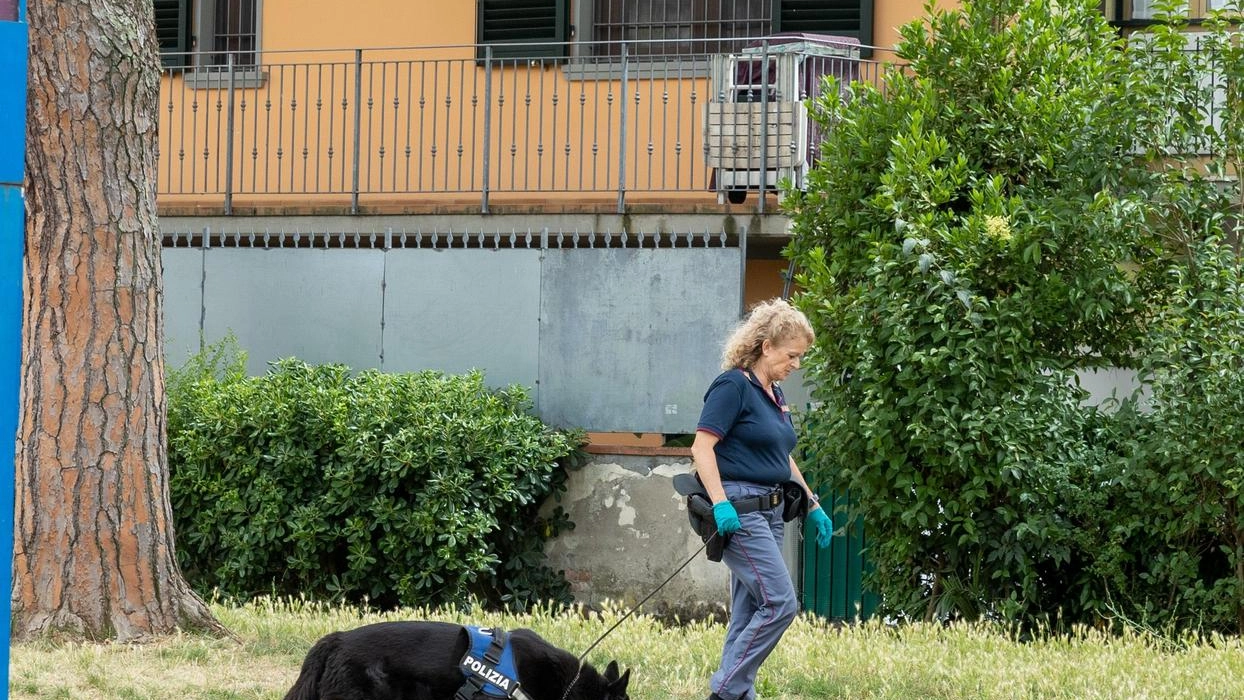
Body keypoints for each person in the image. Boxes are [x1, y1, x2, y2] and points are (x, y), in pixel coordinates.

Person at [690, 298, 833, 700]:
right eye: (792, 355)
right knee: (781, 603)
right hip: (739, 509)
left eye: (801, 357)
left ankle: (737, 692)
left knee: (751, 608)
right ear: (766, 346)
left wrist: (813, 503)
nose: (796, 365)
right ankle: (726, 690)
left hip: (770, 512)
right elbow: (702, 448)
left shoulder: (774, 394)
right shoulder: (733, 385)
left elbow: (780, 457)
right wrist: (719, 504)